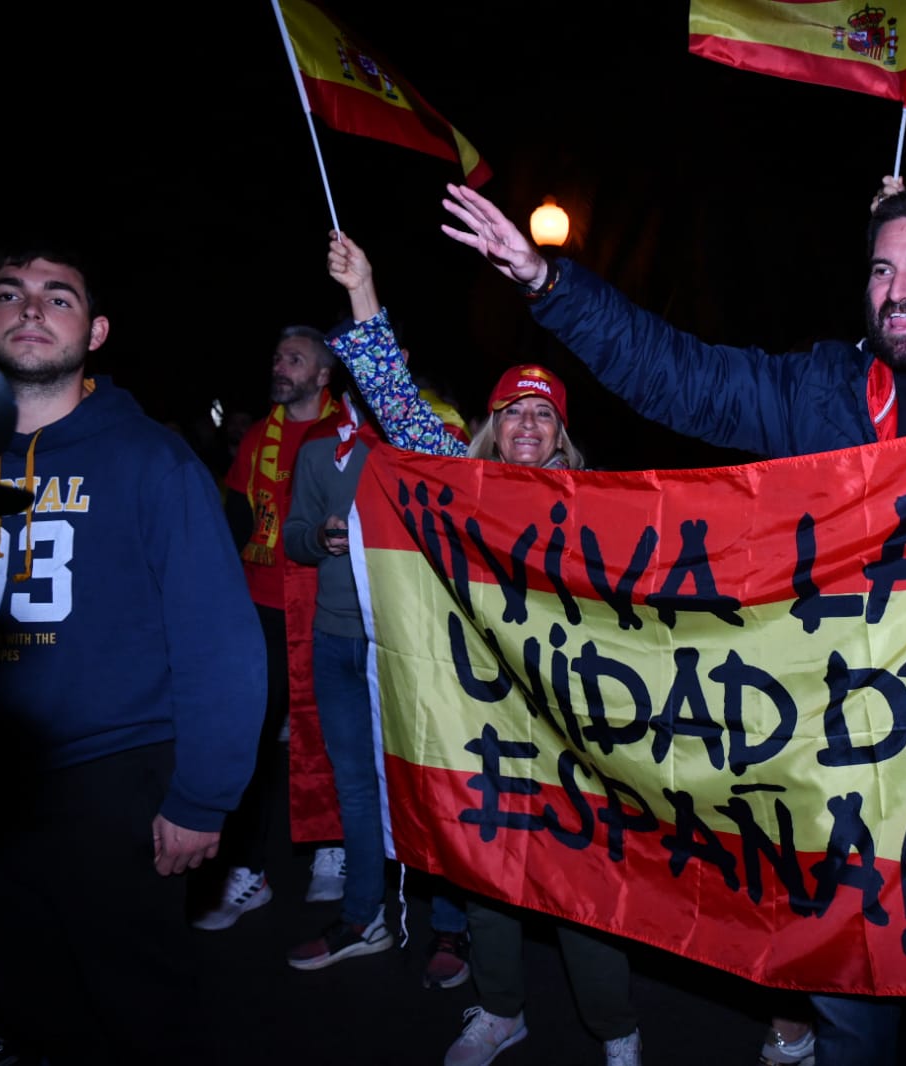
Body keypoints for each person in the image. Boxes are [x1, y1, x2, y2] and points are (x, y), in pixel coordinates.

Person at [435, 182, 906, 1064]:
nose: (896, 290)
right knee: (849, 1018)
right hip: (853, 769)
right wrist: (544, 282)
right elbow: (679, 375)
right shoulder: (826, 390)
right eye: (880, 269)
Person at [324, 231, 641, 1066]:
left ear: (561, 433)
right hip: (477, 715)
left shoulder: (595, 502)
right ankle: (500, 1010)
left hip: (570, 722)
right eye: (514, 412)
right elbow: (391, 395)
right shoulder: (453, 484)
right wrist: (362, 289)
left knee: (576, 882)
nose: (528, 423)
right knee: (487, 867)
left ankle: (616, 1029)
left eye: (544, 413)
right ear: (491, 426)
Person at [0, 243, 267, 1063]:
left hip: (114, 780)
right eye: (9, 294)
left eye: (58, 298)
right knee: (25, 997)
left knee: (140, 1014)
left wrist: (204, 795)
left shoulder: (151, 461)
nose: (31, 308)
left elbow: (220, 640)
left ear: (94, 332)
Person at [198, 327, 347, 929]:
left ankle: (333, 848)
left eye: (295, 359)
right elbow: (236, 522)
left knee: (334, 732)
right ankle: (246, 869)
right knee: (251, 741)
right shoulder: (258, 435)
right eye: (277, 356)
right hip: (262, 606)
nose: (279, 366)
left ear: (321, 377)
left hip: (334, 606)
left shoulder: (348, 435)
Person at [280, 384, 398, 972]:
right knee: (354, 786)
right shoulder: (317, 452)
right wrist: (318, 538)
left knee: (423, 783)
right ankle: (362, 916)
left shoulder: (418, 445)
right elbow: (294, 533)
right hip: (334, 640)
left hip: (402, 645)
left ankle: (452, 931)